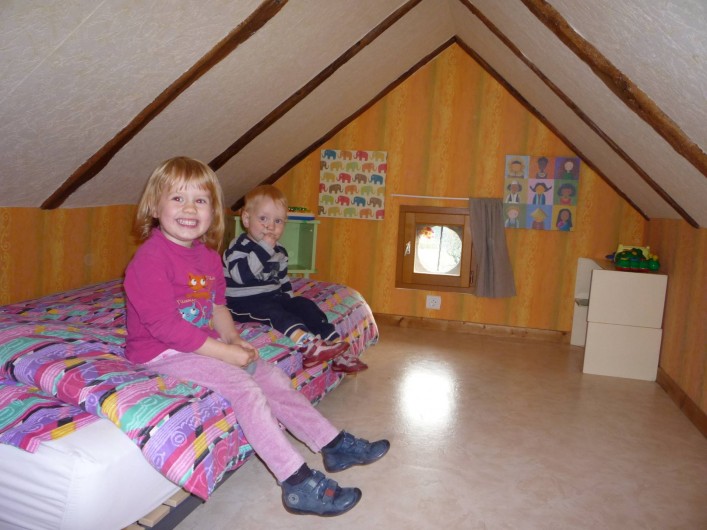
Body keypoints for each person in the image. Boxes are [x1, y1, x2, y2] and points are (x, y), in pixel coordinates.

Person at [123, 157, 389, 517]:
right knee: (245, 388)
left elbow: (217, 306)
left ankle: (332, 444)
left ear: (213, 211)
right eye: (177, 199)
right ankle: (296, 482)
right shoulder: (149, 259)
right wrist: (224, 354)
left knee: (271, 376)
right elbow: (165, 328)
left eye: (200, 200)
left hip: (197, 342)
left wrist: (233, 339)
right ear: (155, 207)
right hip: (161, 351)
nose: (189, 209)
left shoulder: (208, 258)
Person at [223, 185, 367, 374]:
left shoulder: (280, 250)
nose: (270, 226)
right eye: (263, 218)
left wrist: (290, 301)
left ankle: (335, 347)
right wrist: (264, 248)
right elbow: (241, 275)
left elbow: (282, 279)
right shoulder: (239, 246)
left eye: (278, 221)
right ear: (246, 219)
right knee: (274, 312)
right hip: (242, 303)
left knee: (304, 305)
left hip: (271, 297)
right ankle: (308, 346)